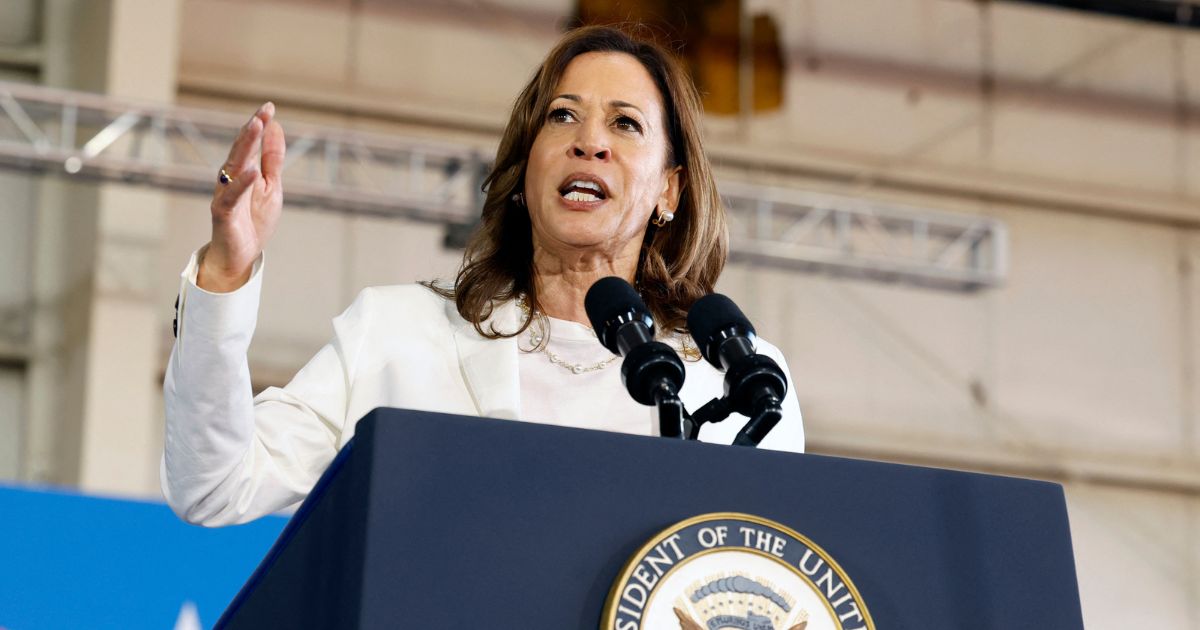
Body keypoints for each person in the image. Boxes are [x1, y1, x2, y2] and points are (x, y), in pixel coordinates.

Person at [163, 25, 804, 527]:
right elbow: (215, 485)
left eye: (625, 124)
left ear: (670, 188)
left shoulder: (740, 382)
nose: (590, 143)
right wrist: (226, 271)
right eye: (562, 116)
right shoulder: (399, 335)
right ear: (525, 171)